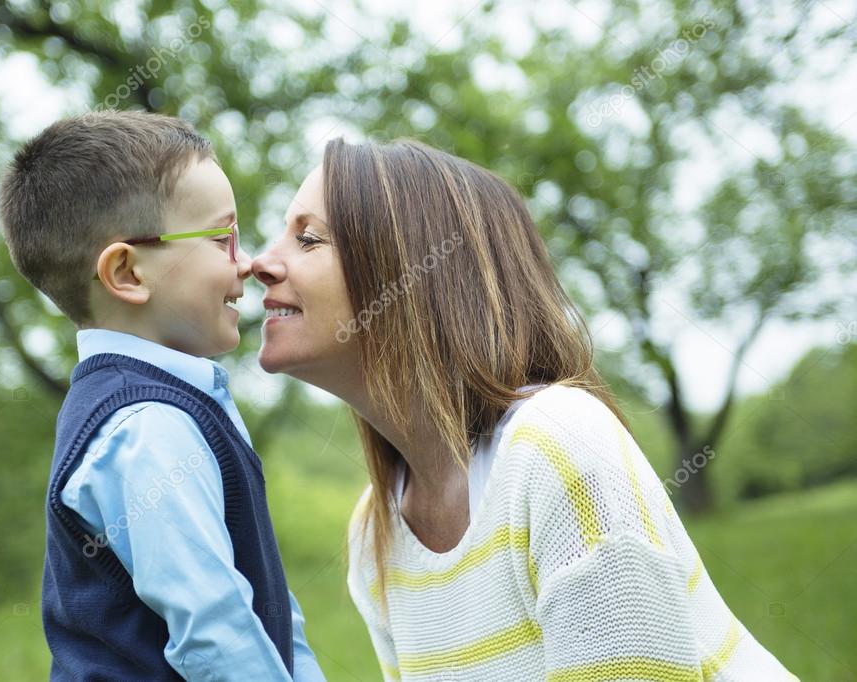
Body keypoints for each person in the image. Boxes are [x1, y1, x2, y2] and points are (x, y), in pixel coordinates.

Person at [250, 137, 797, 681]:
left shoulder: (560, 446)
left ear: (413, 275)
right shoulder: (376, 530)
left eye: (309, 238)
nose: (260, 263)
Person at [0, 110, 324, 681]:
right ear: (127, 273)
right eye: (221, 238)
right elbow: (216, 632)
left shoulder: (165, 406)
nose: (245, 263)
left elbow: (264, 609)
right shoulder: (146, 426)